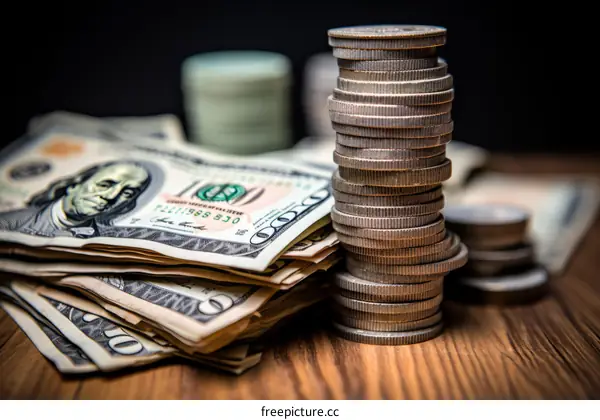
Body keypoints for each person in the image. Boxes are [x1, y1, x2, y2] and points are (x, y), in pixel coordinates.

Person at [0, 161, 151, 238]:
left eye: (128, 193)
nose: (111, 196)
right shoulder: (9, 222)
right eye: (105, 184)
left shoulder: (105, 242)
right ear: (74, 185)